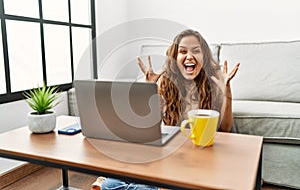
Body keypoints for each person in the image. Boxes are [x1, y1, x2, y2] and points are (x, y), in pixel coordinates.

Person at [91, 29, 240, 190]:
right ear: (175, 58)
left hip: (193, 161)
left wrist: (227, 90)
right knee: (111, 185)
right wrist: (150, 88)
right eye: (183, 51)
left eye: (196, 51)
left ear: (204, 57)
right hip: (165, 155)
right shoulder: (165, 81)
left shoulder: (213, 84)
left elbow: (225, 129)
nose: (189, 56)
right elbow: (146, 125)